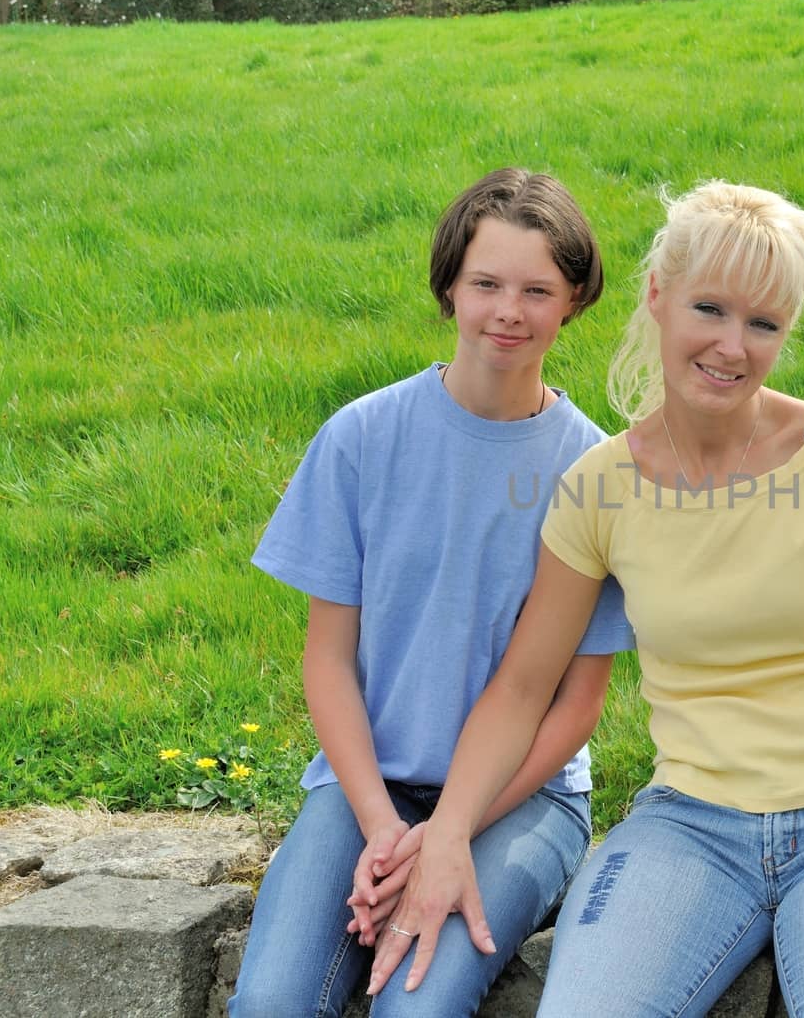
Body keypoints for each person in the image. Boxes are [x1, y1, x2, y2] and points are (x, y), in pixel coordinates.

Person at [366, 181, 804, 1016]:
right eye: (708, 308)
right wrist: (448, 832)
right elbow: (525, 685)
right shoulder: (597, 486)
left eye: (764, 323)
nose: (731, 345)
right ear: (658, 297)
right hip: (690, 825)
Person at [229, 168, 634, 1018]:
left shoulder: (594, 473)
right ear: (449, 286)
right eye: (485, 283)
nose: (507, 312)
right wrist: (382, 827)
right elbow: (328, 659)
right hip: (367, 785)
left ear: (573, 303)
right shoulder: (361, 437)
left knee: (415, 1007)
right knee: (270, 1001)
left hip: (524, 797)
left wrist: (450, 831)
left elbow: (577, 705)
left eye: (537, 290)